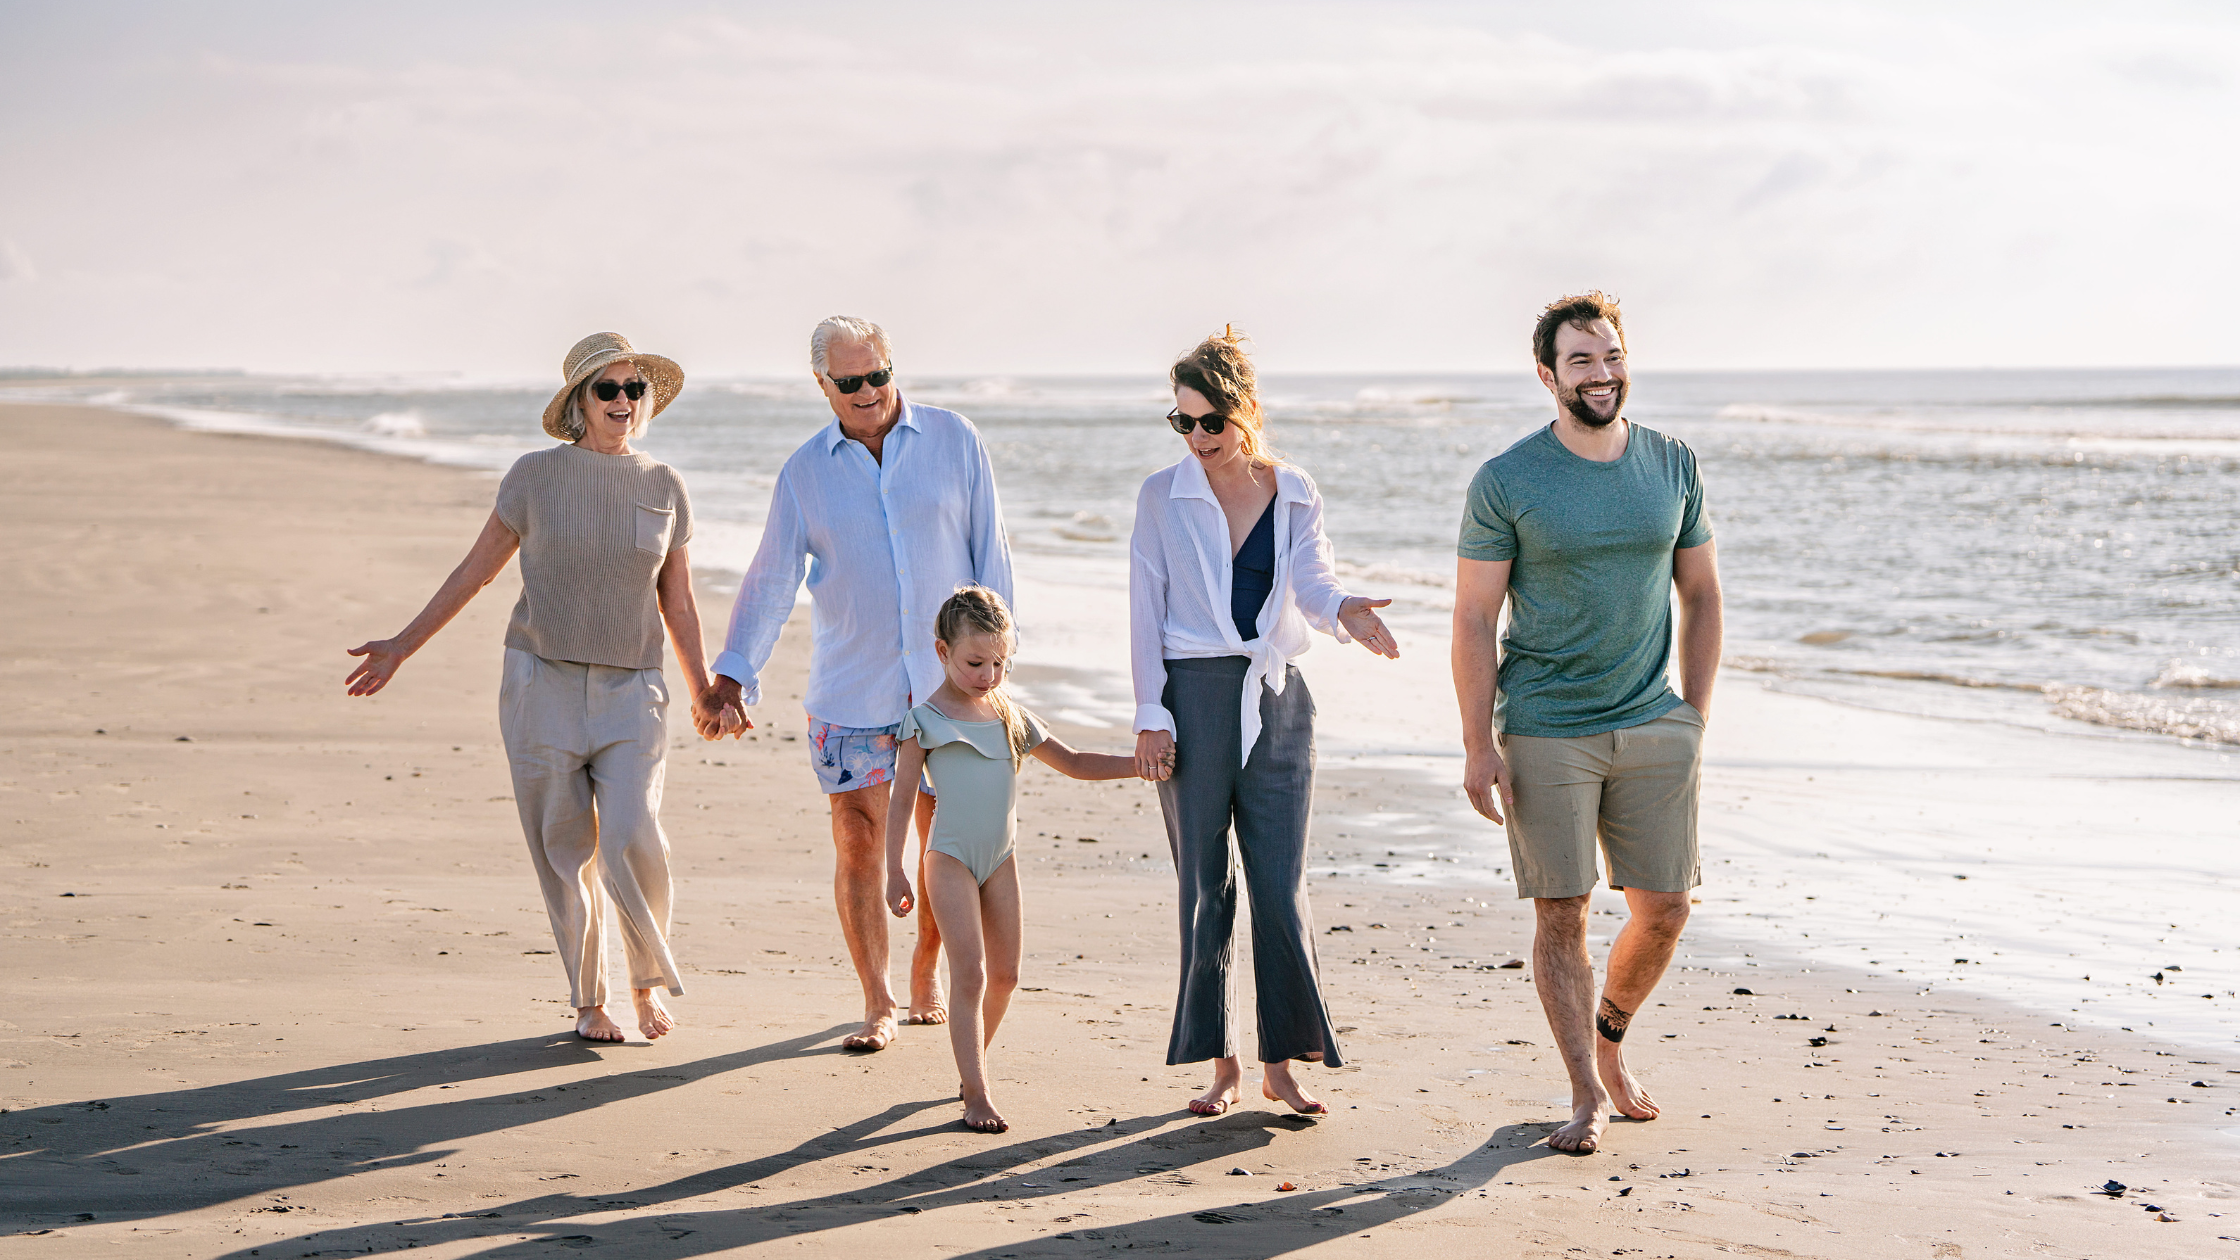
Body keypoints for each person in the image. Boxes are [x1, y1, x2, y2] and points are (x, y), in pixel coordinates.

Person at [344, 332, 742, 1044]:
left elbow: (677, 602)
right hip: (541, 683)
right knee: (564, 847)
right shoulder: (534, 477)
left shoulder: (664, 484)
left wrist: (706, 689)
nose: (624, 402)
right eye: (608, 390)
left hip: (634, 690)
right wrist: (402, 645)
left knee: (632, 837)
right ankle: (590, 999)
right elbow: (476, 573)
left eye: (634, 389)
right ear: (579, 403)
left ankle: (648, 982)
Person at [1452, 291, 1724, 1154]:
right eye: (1581, 360)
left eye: (1611, 356)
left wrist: (1694, 715)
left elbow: (1703, 592)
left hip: (1653, 720)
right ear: (1547, 375)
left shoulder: (1672, 463)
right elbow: (1471, 619)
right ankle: (1583, 1095)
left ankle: (1609, 1043)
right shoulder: (1508, 480)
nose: (1602, 374)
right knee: (1561, 912)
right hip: (1544, 724)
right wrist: (1476, 744)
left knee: (1667, 908)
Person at [705, 316, 1013, 1052]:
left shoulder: (954, 441)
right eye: (851, 382)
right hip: (853, 690)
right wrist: (733, 674)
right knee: (858, 842)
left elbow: (989, 554)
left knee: (949, 850)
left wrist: (997, 669)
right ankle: (875, 1000)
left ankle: (925, 971)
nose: (870, 390)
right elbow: (773, 578)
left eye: (878, 373)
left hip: (949, 694)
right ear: (823, 386)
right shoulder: (805, 473)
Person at [1129, 327, 1401, 1117]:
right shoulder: (1161, 496)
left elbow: (1312, 583)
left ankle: (1283, 1060)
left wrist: (1345, 610)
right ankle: (1223, 1065)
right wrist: (1151, 714)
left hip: (1279, 699)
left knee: (1278, 885)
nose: (1200, 439)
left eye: (1212, 421)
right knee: (1204, 886)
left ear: (1245, 412)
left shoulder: (1295, 489)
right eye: (1183, 423)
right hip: (1190, 699)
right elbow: (1146, 611)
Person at [882, 587, 1141, 1134]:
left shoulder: (1009, 715)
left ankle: (968, 1061)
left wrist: (1137, 765)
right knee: (970, 974)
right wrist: (895, 869)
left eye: (1000, 663)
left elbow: (1072, 761)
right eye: (976, 662)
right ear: (942, 651)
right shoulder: (923, 720)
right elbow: (901, 799)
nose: (989, 675)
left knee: (1005, 976)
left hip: (1001, 859)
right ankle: (976, 1091)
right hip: (948, 858)